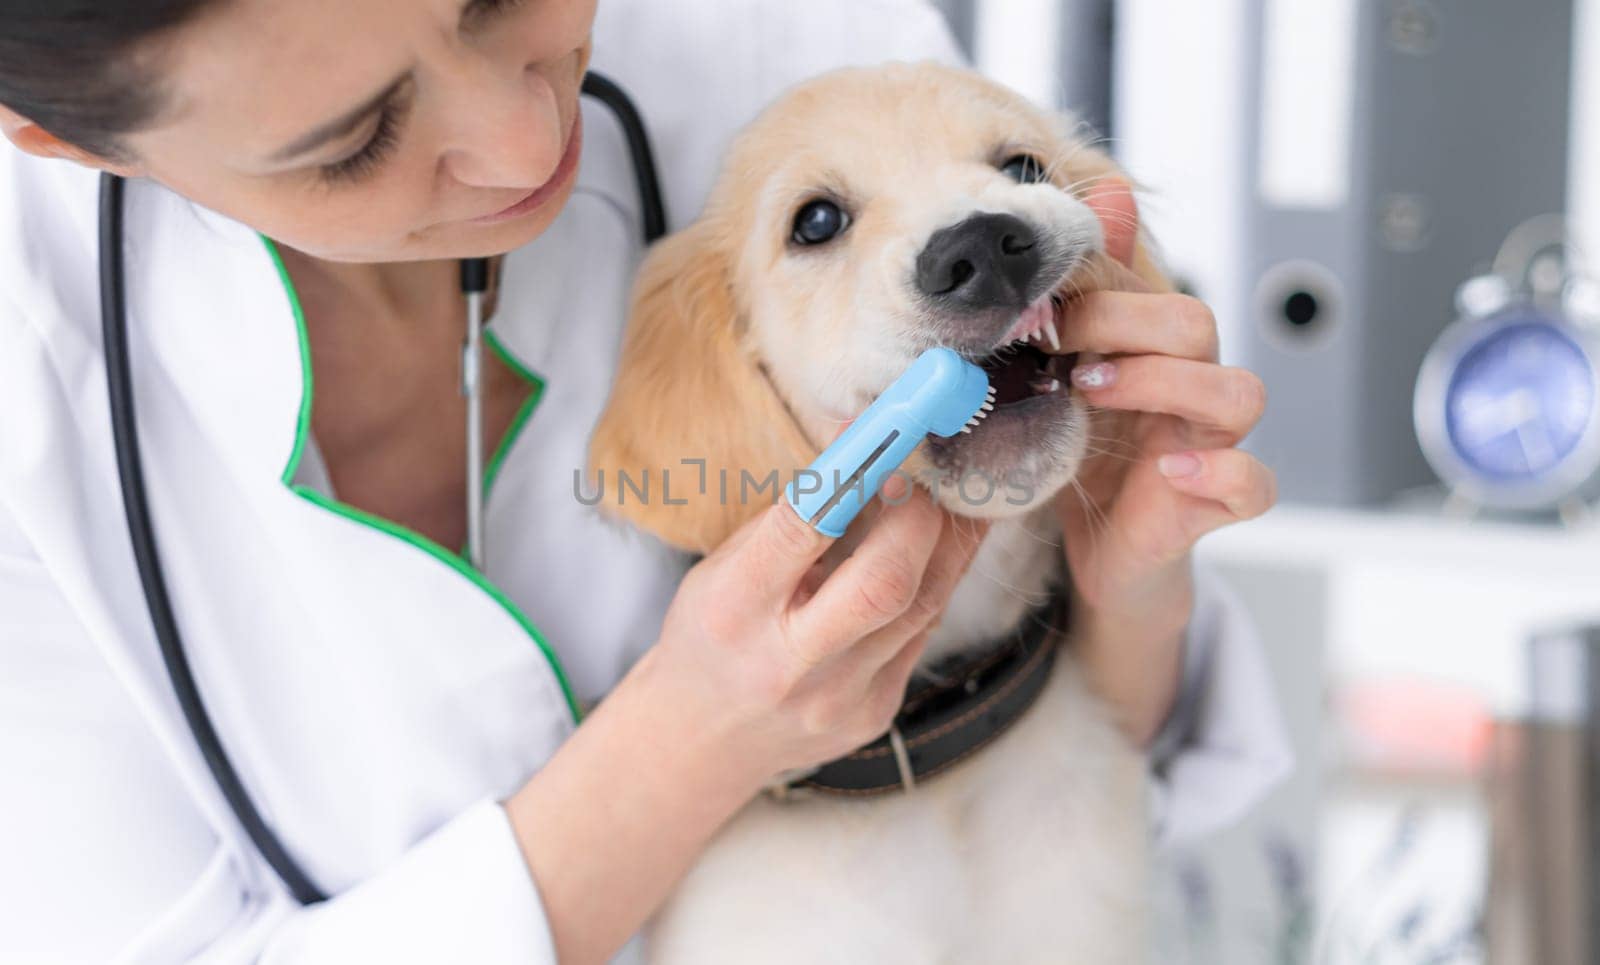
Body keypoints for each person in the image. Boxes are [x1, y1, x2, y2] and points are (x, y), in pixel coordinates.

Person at [0, 0, 1290, 962]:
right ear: (56, 138)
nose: (521, 142)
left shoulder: (781, 35)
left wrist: (1128, 573)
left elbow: (1120, 730)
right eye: (353, 139)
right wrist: (693, 743)